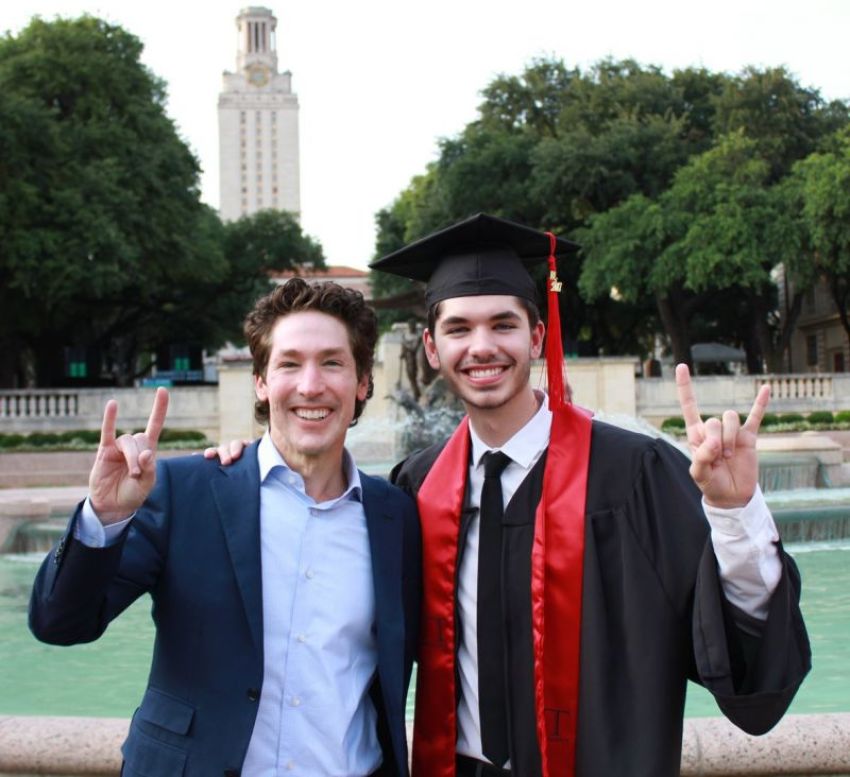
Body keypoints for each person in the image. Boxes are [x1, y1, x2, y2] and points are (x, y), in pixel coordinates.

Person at [368, 213, 810, 777]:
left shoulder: (633, 474)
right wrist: (234, 470)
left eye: (503, 325)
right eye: (459, 329)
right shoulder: (419, 485)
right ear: (432, 348)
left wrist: (733, 511)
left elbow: (735, 641)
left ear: (536, 337)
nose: (482, 347)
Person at [29, 279, 421, 777]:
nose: (310, 384)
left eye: (333, 362)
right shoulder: (184, 491)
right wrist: (105, 517)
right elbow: (59, 624)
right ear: (261, 381)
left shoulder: (396, 517)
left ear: (363, 381)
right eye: (289, 363)